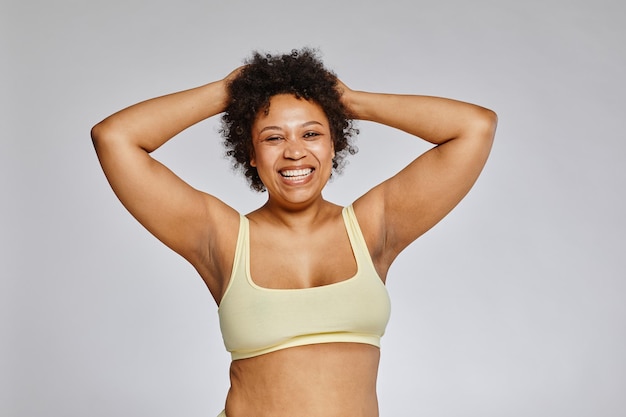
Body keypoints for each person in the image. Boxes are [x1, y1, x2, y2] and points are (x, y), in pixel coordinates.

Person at [91, 48, 497, 417]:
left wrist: (351, 101)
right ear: (250, 153)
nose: (294, 151)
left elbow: (474, 127)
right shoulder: (223, 237)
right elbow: (115, 138)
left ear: (334, 143)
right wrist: (229, 92)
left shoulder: (374, 226)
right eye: (273, 138)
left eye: (311, 133)